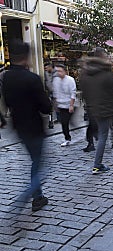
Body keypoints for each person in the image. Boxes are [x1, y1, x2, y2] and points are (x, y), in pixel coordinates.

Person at [2, 41, 52, 211]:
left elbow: (7, 102)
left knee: (35, 162)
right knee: (40, 166)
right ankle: (28, 196)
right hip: (34, 128)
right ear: (26, 57)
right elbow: (45, 107)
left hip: (18, 127)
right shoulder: (32, 78)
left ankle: (38, 196)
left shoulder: (6, 77)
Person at [80, 47, 113, 174]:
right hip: (105, 109)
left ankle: (97, 159)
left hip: (93, 108)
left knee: (101, 133)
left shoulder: (85, 73)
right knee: (104, 135)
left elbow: (84, 92)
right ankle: (97, 164)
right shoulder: (106, 73)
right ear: (102, 57)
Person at [53, 64, 76, 147]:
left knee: (65, 122)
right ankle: (67, 136)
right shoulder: (55, 80)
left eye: (60, 71)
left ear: (65, 71)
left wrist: (71, 105)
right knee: (63, 122)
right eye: (57, 71)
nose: (58, 73)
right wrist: (55, 104)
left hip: (68, 104)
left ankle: (67, 138)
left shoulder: (70, 80)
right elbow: (55, 93)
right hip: (60, 105)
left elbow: (73, 93)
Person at [44, 62, 58, 128]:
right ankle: (52, 120)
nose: (45, 69)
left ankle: (57, 118)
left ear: (50, 67)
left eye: (46, 68)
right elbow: (47, 83)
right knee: (51, 107)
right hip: (50, 92)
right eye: (45, 68)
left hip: (56, 93)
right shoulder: (46, 73)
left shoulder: (56, 73)